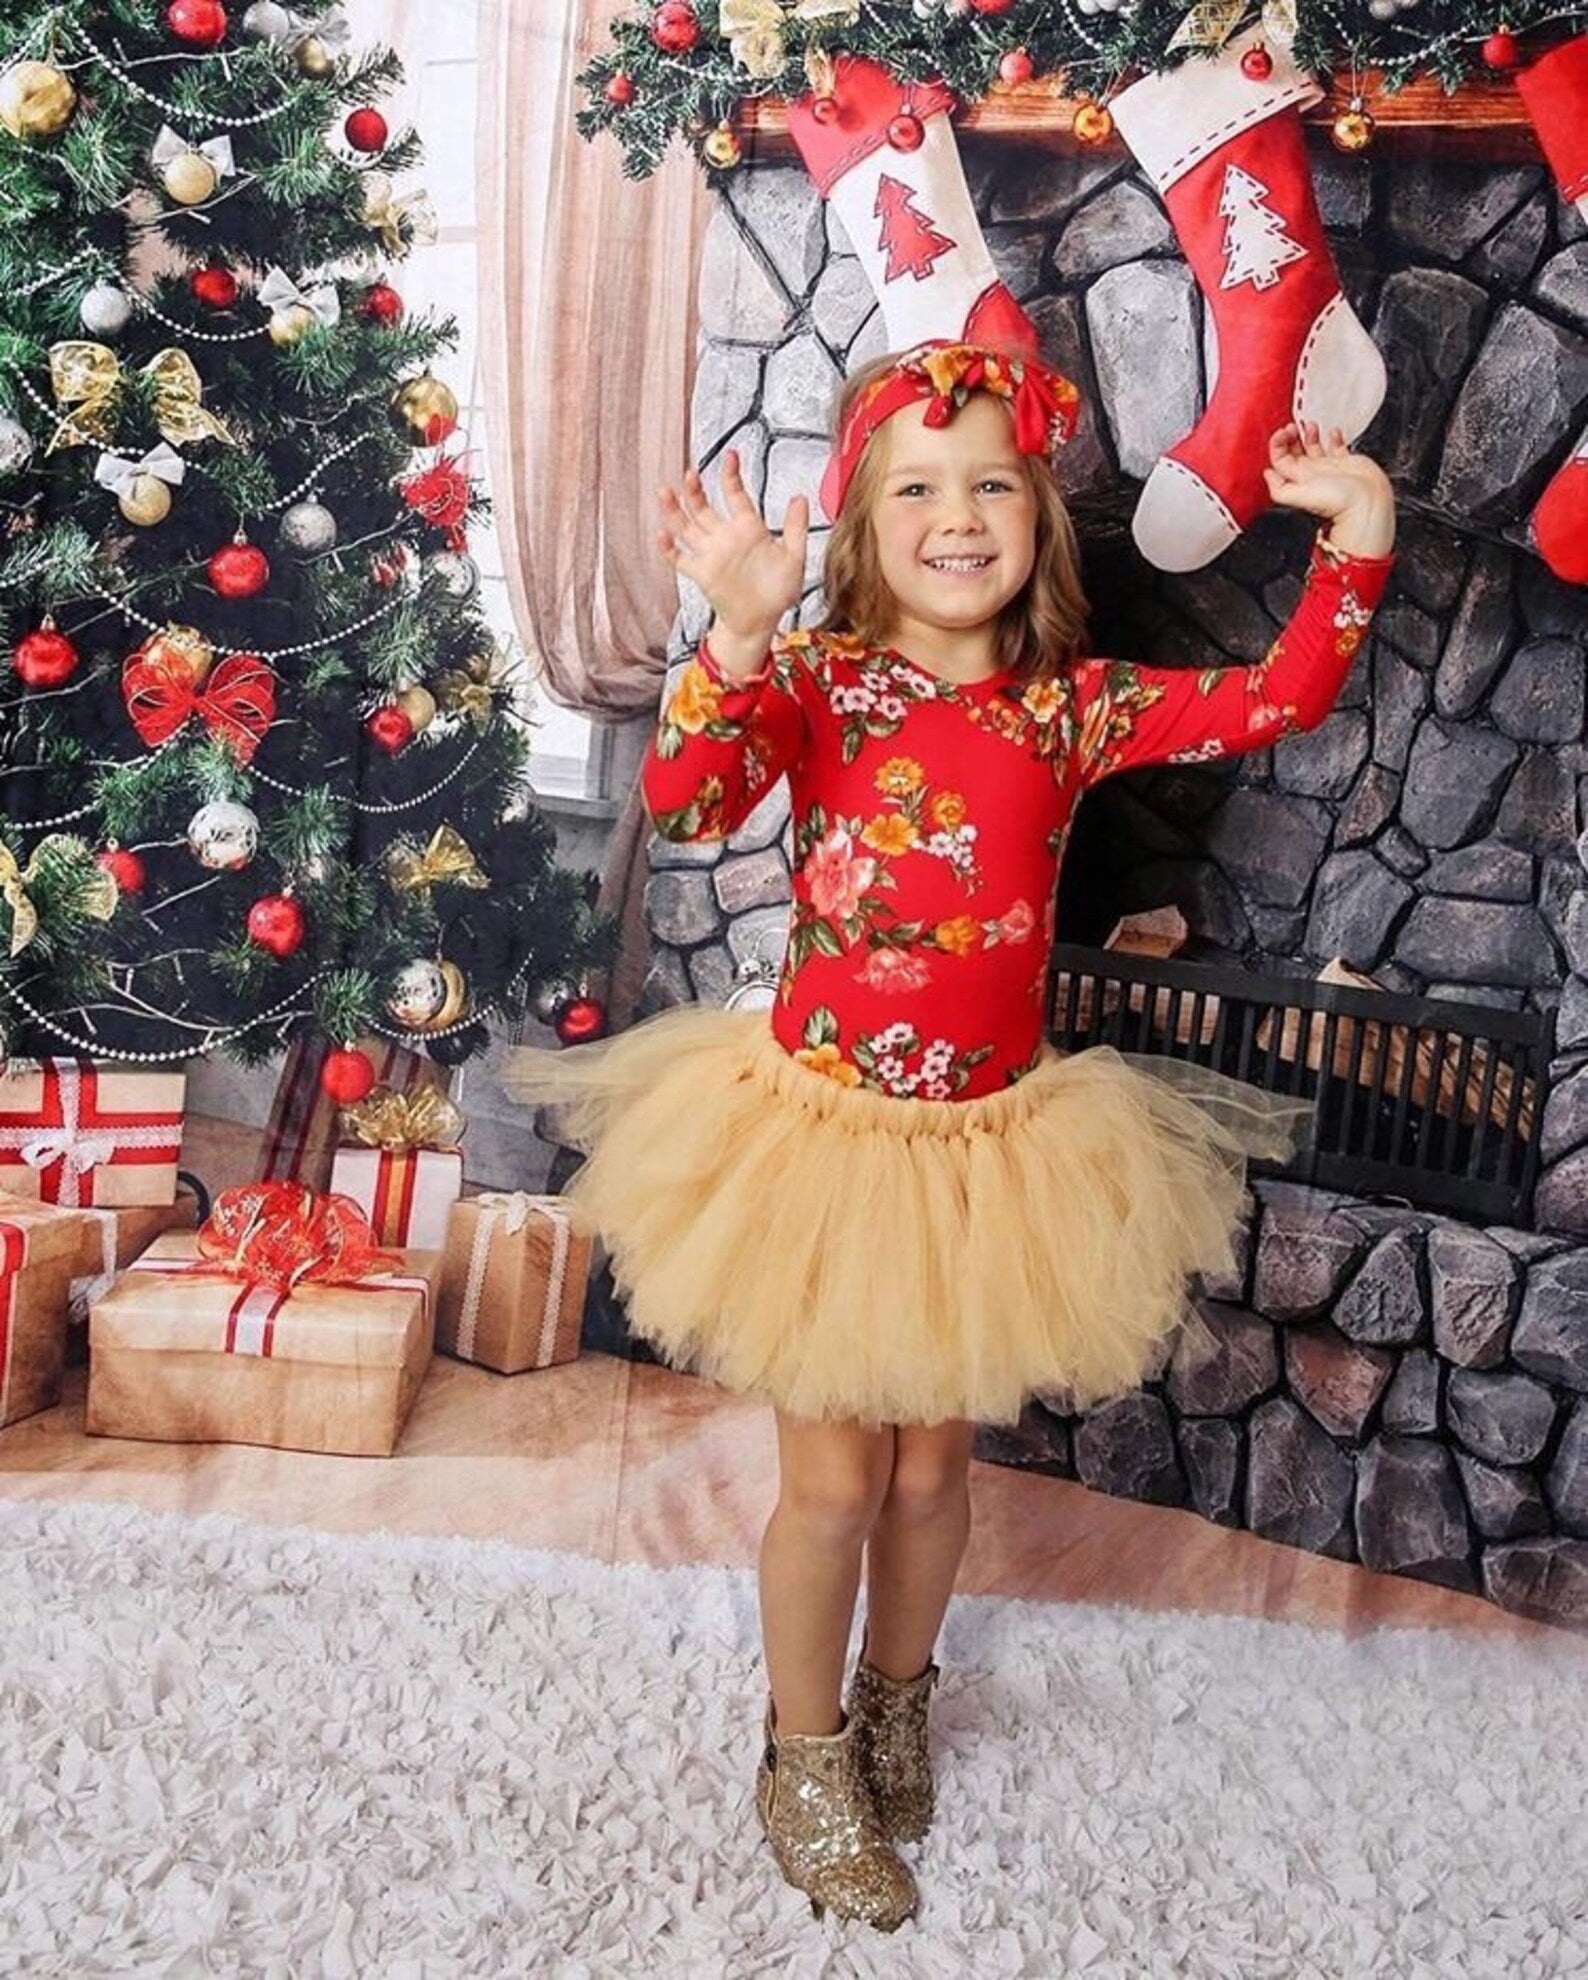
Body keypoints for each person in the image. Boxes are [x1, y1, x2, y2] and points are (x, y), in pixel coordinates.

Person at [504, 341, 1396, 1932]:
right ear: (861, 523)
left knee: (931, 1478)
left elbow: (1281, 695)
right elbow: (699, 803)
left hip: (991, 1146)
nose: (959, 513)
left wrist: (1361, 531)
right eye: (917, 486)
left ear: (1041, 521)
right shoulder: (825, 682)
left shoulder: (1073, 708)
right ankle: (803, 1754)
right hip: (823, 1140)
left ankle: (900, 1698)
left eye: (994, 482)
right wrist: (740, 627)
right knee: (836, 1483)